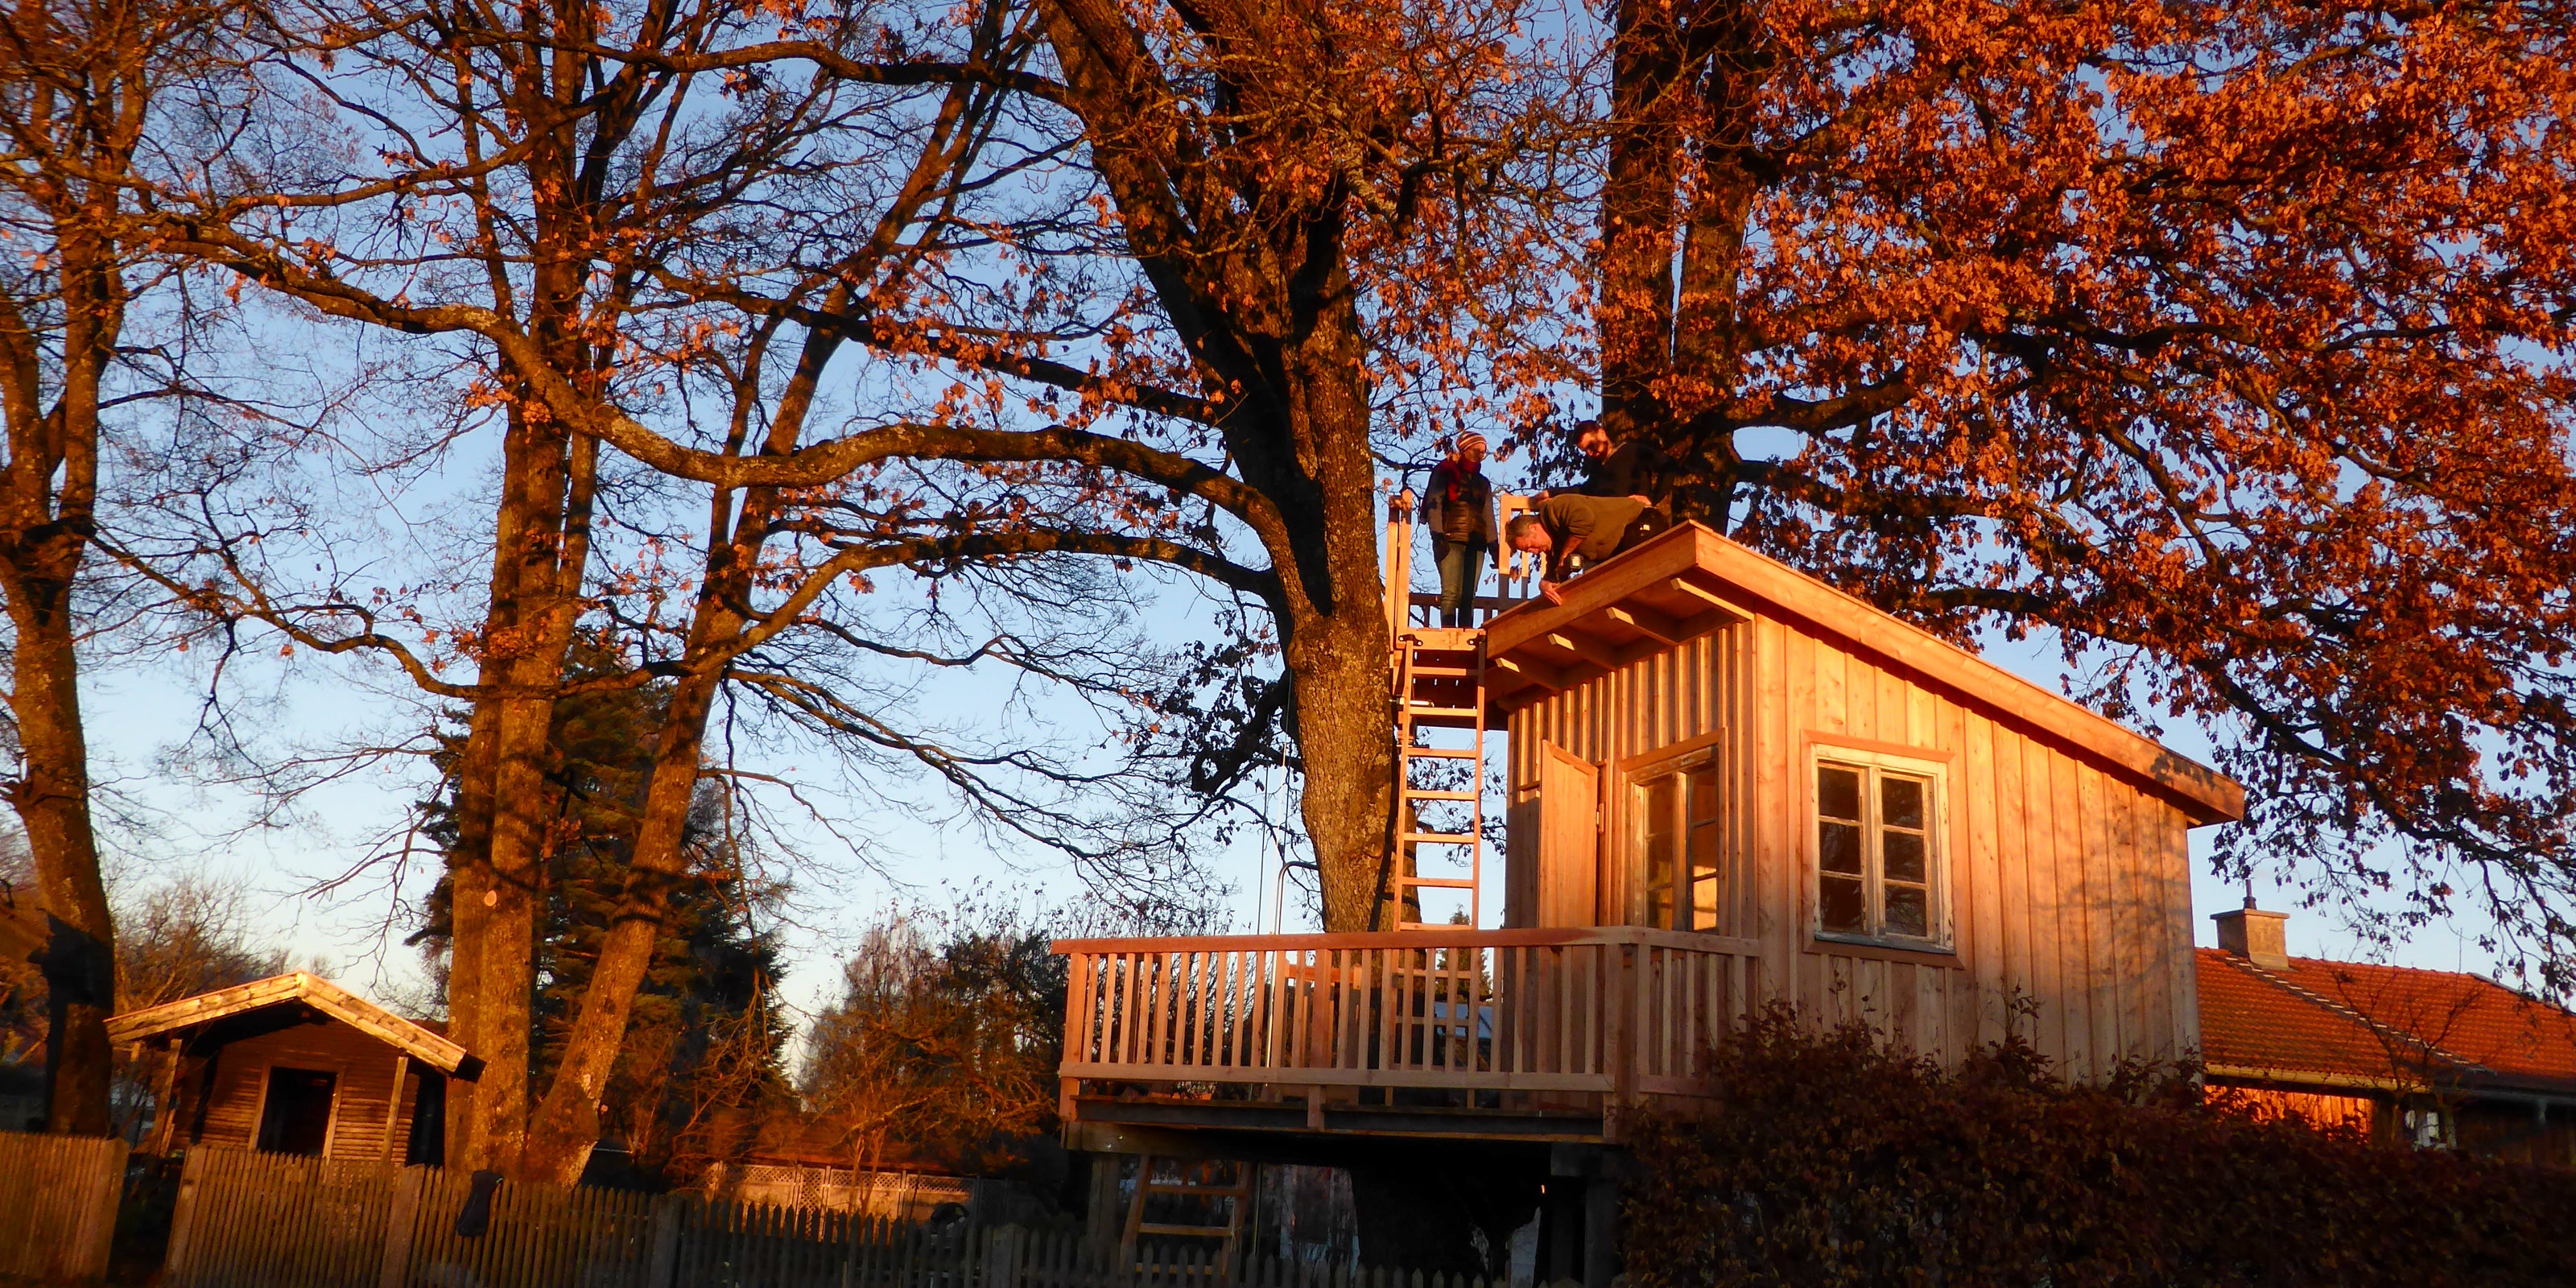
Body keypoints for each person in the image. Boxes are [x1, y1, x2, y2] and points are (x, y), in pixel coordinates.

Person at [1504, 492, 1666, 604]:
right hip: (1622, 546)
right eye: (1528, 551)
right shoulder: (1554, 549)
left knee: (1633, 569)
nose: (1534, 552)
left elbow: (1584, 521)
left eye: (1530, 546)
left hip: (1643, 522)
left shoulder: (1555, 508)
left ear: (1533, 528)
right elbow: (1556, 574)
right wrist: (1545, 585)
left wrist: (1566, 553)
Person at [1423, 431, 1497, 627]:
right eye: (1477, 450)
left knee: (1468, 597)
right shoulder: (1445, 473)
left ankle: (1465, 633)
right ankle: (1448, 635)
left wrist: (1494, 545)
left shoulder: (1483, 483)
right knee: (1450, 593)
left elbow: (1488, 515)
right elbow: (1434, 504)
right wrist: (1437, 535)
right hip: (1451, 538)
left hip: (1476, 542)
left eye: (1483, 452)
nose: (1481, 455)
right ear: (1465, 449)